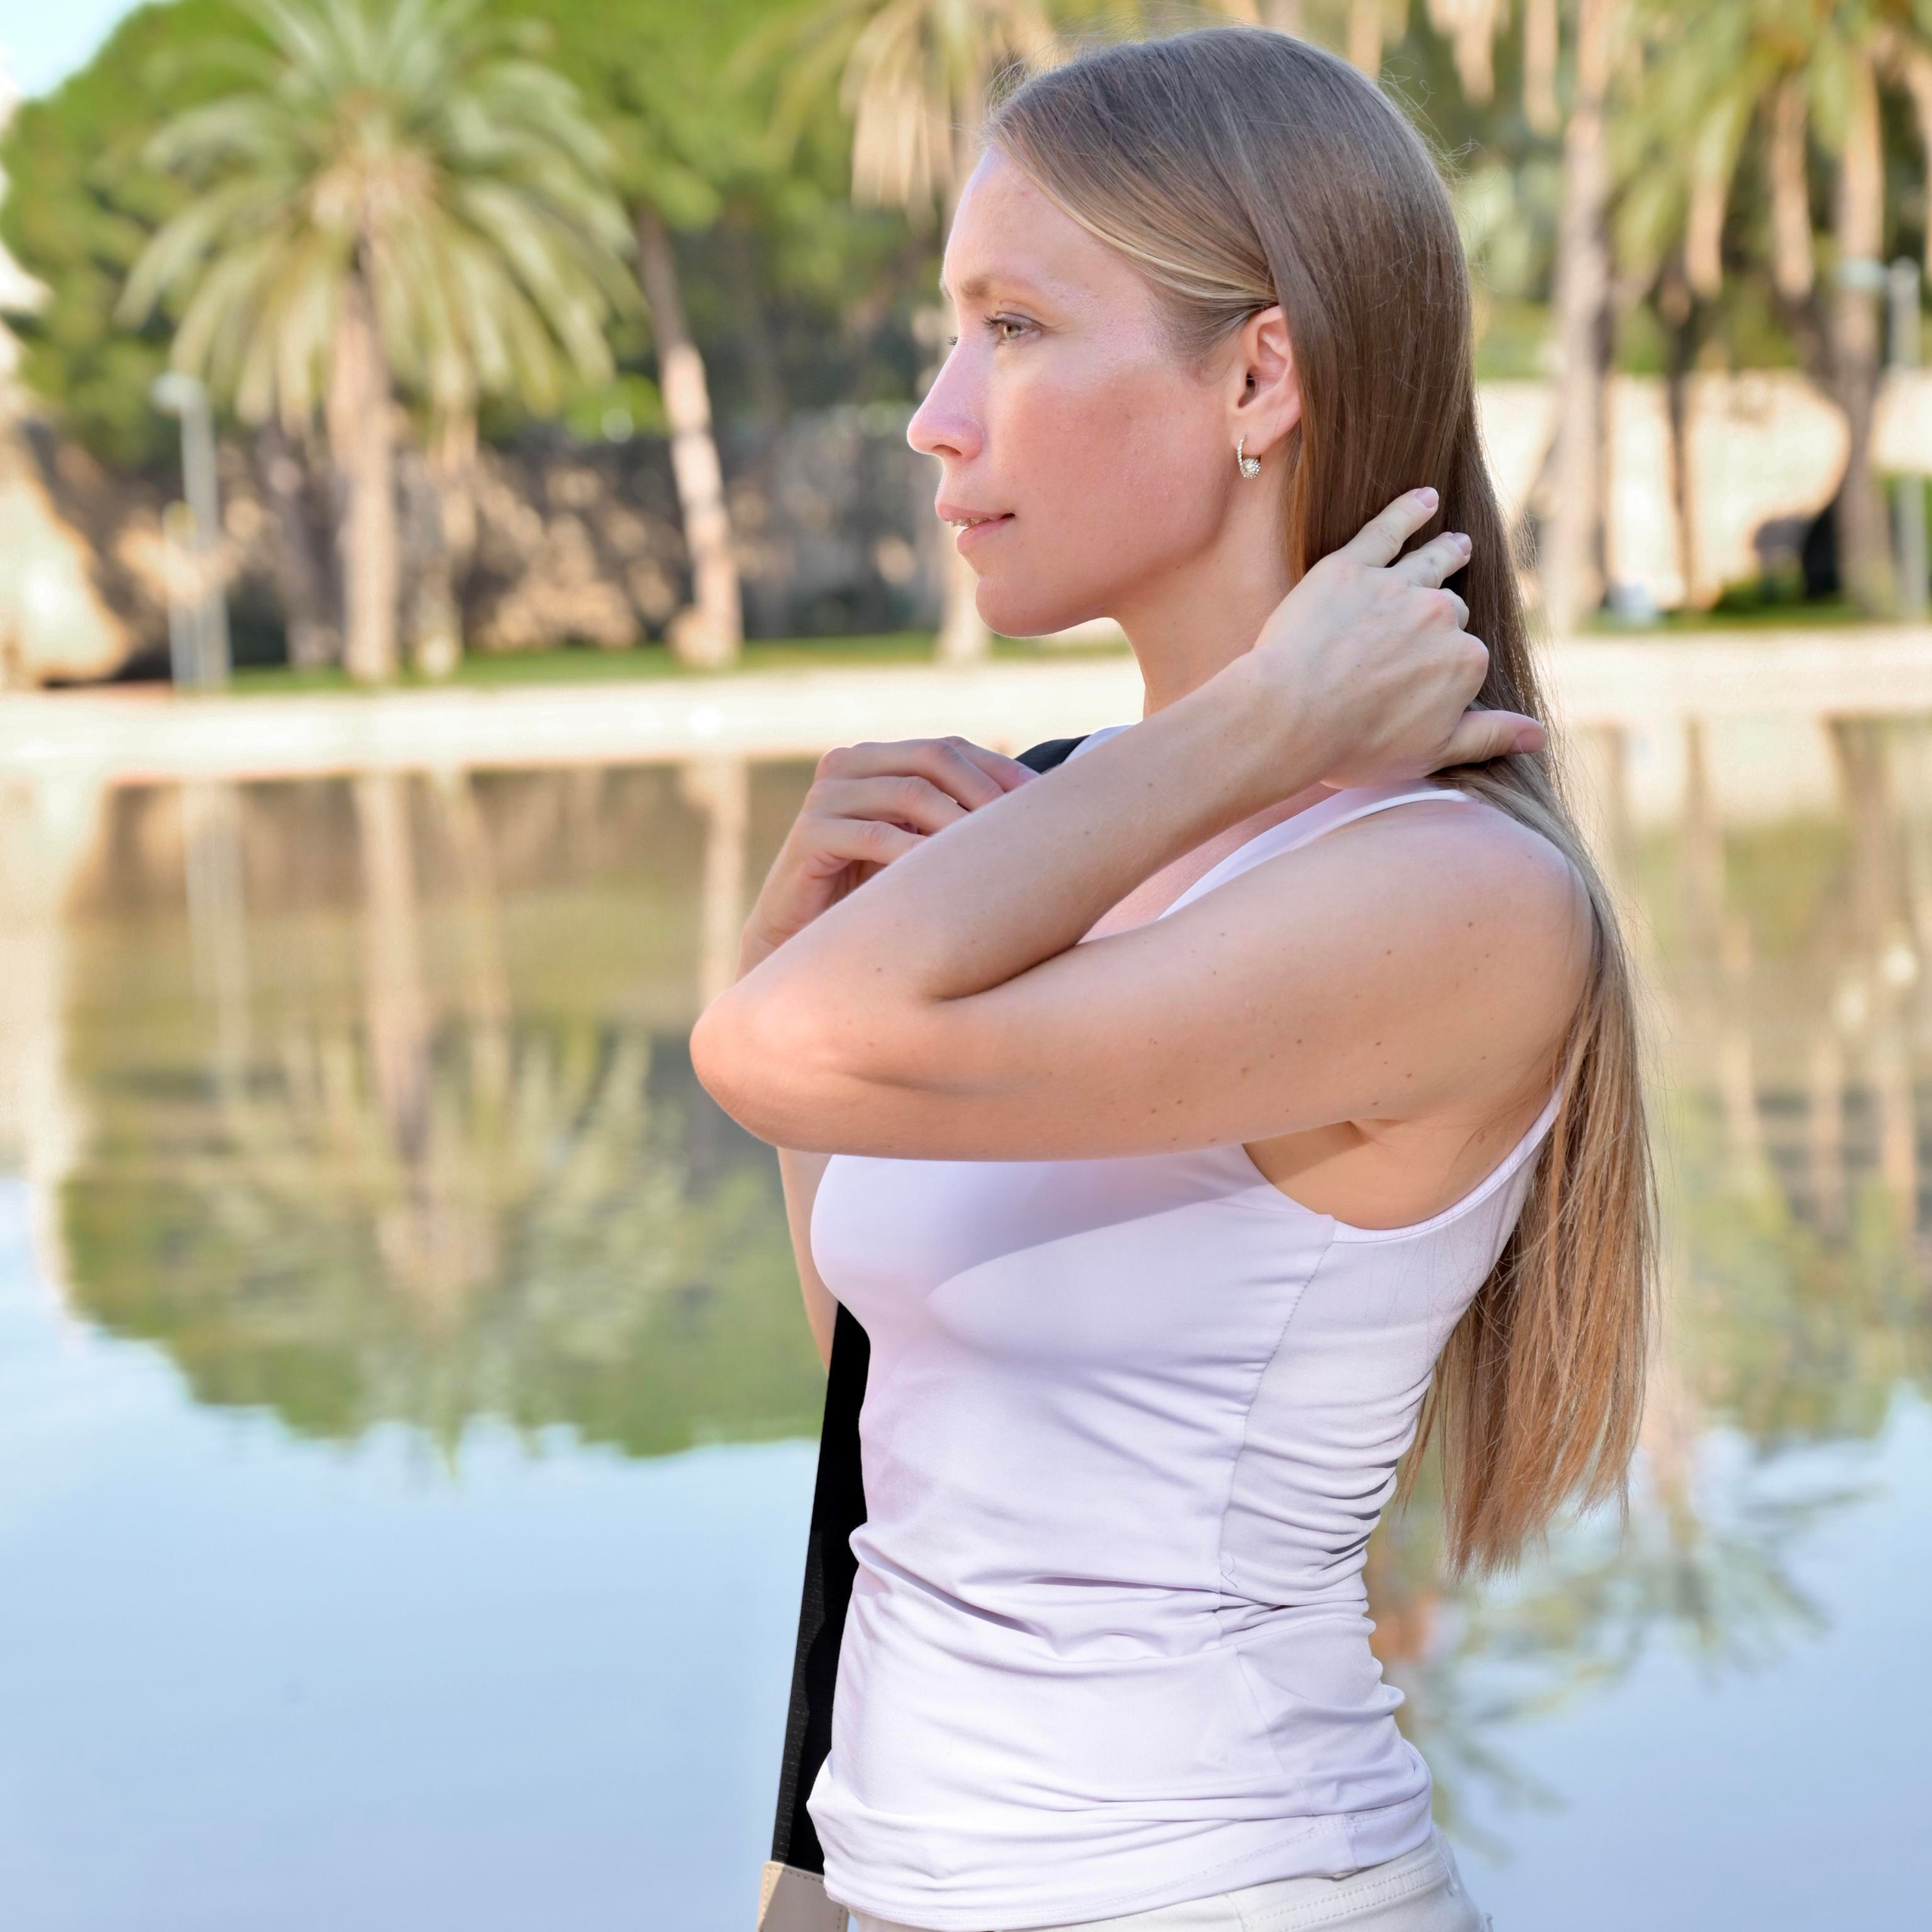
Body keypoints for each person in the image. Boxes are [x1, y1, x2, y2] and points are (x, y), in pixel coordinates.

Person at [694, 27, 1654, 1932]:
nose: (936, 414)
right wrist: (805, 933)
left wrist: (1259, 722)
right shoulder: (1056, 828)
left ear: (1256, 373)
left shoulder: (1445, 896)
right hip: (893, 1885)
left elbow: (765, 1051)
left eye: (1018, 326)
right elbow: (903, 1389)